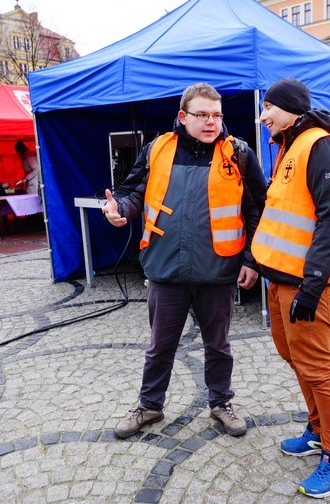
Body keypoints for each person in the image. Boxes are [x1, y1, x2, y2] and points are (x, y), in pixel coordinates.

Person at [101, 82, 267, 439]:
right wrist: (121, 210)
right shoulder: (157, 149)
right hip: (166, 268)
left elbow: (257, 209)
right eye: (202, 115)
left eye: (217, 115)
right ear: (182, 116)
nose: (211, 123)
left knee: (218, 346)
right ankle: (149, 406)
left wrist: (251, 260)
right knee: (160, 346)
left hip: (218, 270)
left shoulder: (238, 153)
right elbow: (132, 192)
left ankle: (221, 402)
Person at [252, 78, 330, 499]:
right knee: (294, 358)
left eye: (268, 108)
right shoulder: (287, 148)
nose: (262, 116)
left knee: (317, 367)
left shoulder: (320, 145)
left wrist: (312, 286)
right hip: (280, 282)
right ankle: (317, 431)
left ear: (290, 109)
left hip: (308, 286)